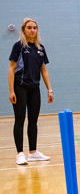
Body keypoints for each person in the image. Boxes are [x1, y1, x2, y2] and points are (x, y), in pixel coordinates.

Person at [8, 18, 53, 165]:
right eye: (29, 28)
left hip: (35, 89)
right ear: (23, 30)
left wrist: (49, 89)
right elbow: (12, 68)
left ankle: (33, 152)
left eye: (35, 28)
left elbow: (44, 70)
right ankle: (20, 154)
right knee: (20, 120)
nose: (32, 30)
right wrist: (11, 91)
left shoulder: (41, 48)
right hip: (20, 87)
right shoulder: (18, 46)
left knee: (33, 121)